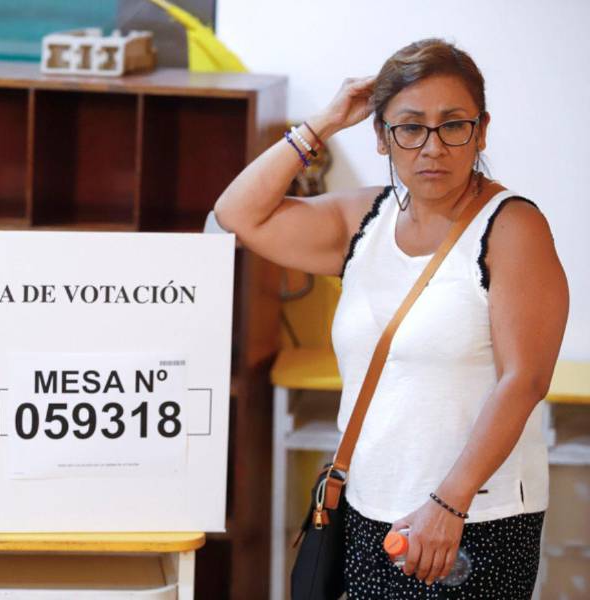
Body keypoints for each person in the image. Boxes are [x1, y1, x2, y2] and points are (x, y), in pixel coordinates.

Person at [213, 38, 569, 599]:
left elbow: (524, 380)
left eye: (453, 125)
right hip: (367, 509)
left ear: (481, 131)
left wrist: (448, 503)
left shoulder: (512, 228)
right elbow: (236, 214)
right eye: (410, 127)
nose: (433, 146)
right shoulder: (365, 220)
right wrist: (325, 122)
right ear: (381, 136)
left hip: (472, 520)